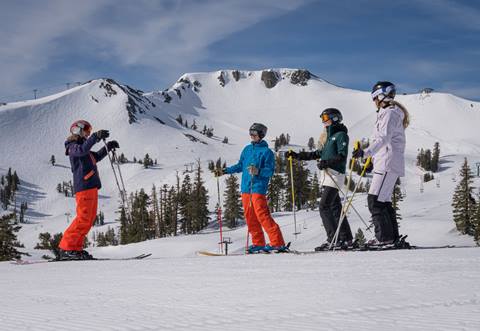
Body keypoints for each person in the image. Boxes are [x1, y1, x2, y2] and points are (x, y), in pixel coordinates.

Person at [352, 81, 410, 246]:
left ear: (379, 96)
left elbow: (383, 138)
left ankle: (384, 238)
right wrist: (371, 160)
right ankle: (391, 237)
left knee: (375, 200)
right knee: (382, 201)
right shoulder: (390, 113)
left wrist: (365, 153)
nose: (374, 102)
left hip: (387, 162)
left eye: (374, 98)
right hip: (386, 161)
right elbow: (385, 140)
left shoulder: (389, 113)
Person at [215, 123, 288, 253]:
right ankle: (258, 243)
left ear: (261, 135)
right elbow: (240, 166)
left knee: (262, 215)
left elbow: (270, 171)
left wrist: (258, 171)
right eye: (250, 134)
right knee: (250, 217)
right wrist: (225, 171)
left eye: (254, 134)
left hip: (258, 188)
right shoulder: (247, 149)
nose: (252, 136)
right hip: (245, 188)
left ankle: (277, 242)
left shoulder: (267, 152)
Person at [287, 108, 353, 250]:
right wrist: (298, 156)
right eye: (322, 118)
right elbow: (317, 153)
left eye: (326, 118)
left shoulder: (341, 135)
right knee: (335, 208)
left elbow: (342, 155)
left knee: (324, 206)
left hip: (335, 174)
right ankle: (345, 239)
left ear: (335, 118)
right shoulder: (329, 139)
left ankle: (332, 239)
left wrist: (327, 162)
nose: (323, 121)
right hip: (328, 175)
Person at [57, 120, 119, 260]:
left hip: (91, 186)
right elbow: (82, 150)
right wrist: (95, 137)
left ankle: (75, 248)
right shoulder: (72, 147)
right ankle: (67, 248)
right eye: (86, 130)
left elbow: (94, 157)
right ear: (77, 130)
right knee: (83, 218)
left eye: (90, 131)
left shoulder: (83, 147)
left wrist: (108, 147)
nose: (88, 133)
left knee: (88, 219)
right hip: (84, 186)